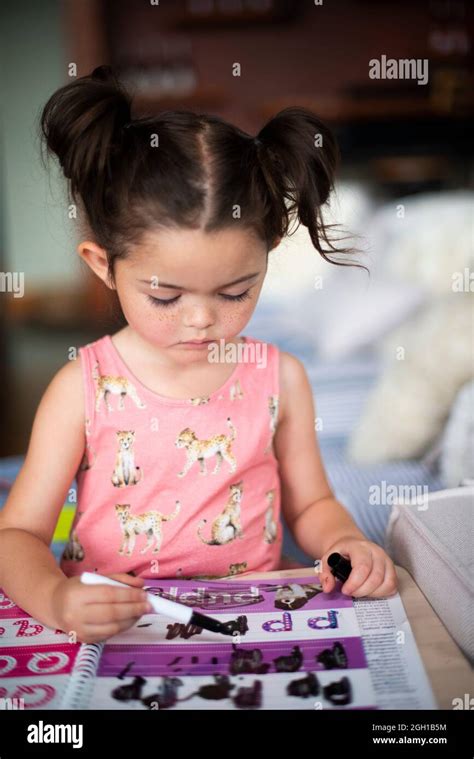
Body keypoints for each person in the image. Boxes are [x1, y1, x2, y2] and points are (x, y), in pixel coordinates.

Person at [0, 66, 397, 644]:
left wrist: (347, 544)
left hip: (245, 627)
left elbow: (311, 504)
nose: (202, 319)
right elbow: (18, 538)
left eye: (236, 292)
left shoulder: (280, 377)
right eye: (165, 295)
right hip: (116, 630)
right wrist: (58, 599)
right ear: (102, 264)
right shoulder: (80, 387)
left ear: (268, 256)